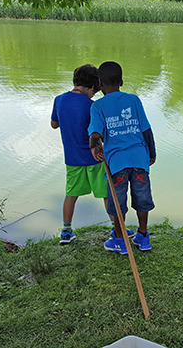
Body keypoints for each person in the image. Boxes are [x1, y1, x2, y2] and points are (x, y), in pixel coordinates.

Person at [88, 61, 156, 254]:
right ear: (122, 82)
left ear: (100, 84)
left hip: (117, 163)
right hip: (139, 159)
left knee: (116, 202)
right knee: (142, 198)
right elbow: (146, 129)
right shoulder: (134, 99)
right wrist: (151, 154)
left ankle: (120, 240)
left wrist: (94, 146)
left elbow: (95, 135)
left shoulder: (98, 106)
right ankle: (143, 236)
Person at [51, 64, 109, 245]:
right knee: (107, 193)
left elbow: (54, 124)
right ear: (92, 86)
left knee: (71, 194)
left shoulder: (59, 100)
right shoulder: (92, 106)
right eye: (95, 90)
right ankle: (117, 228)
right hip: (96, 158)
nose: (95, 94)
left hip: (72, 158)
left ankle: (66, 231)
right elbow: (101, 132)